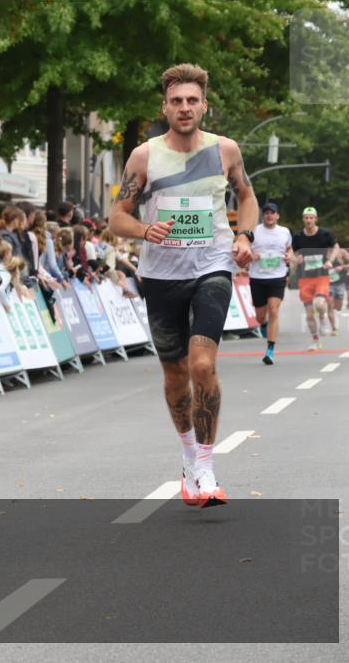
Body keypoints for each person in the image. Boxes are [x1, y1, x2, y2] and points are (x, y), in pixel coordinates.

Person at [108, 63, 257, 509]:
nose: (185, 107)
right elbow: (117, 217)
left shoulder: (225, 150)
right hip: (161, 275)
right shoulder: (144, 156)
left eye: (192, 100)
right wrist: (144, 230)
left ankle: (206, 467)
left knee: (201, 365)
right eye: (177, 101)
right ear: (165, 107)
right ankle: (189, 457)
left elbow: (246, 196)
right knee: (175, 374)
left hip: (213, 266)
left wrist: (244, 236)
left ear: (204, 106)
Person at [247, 202, 293, 364]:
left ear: (277, 216)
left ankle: (270, 350)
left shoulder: (284, 232)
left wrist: (289, 255)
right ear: (263, 216)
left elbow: (289, 248)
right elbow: (245, 249)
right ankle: (264, 323)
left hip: (277, 276)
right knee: (260, 317)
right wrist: (252, 255)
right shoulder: (254, 231)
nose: (269, 215)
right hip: (257, 277)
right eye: (266, 213)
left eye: (272, 213)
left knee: (273, 310)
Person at [291, 206, 339, 350]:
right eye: (306, 218)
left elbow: (336, 247)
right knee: (309, 314)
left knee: (319, 303)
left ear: (315, 219)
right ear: (303, 219)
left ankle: (323, 319)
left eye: (311, 218)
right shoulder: (298, 237)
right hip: (304, 279)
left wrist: (330, 260)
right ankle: (315, 340)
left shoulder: (325, 234)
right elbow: (292, 254)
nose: (308, 220)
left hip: (321, 276)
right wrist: (296, 259)